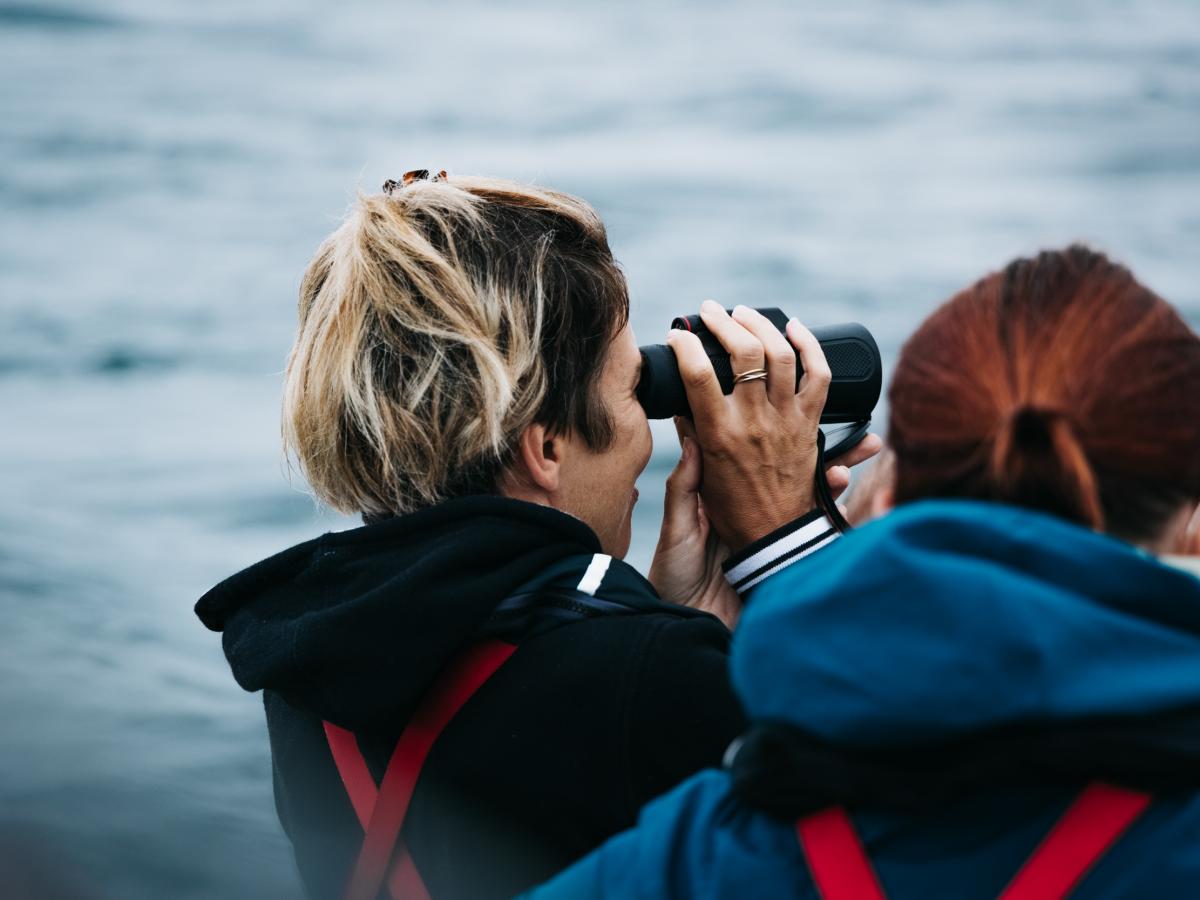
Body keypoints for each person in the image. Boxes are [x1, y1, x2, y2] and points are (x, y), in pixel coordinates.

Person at [194, 172, 878, 899]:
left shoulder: (311, 668)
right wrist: (789, 545)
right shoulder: (645, 678)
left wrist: (674, 617)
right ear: (544, 446)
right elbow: (902, 832)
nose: (647, 437)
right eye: (630, 391)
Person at [528, 245, 1200, 899]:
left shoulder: (695, 857)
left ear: (886, 493)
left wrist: (768, 571)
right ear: (1192, 527)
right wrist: (758, 570)